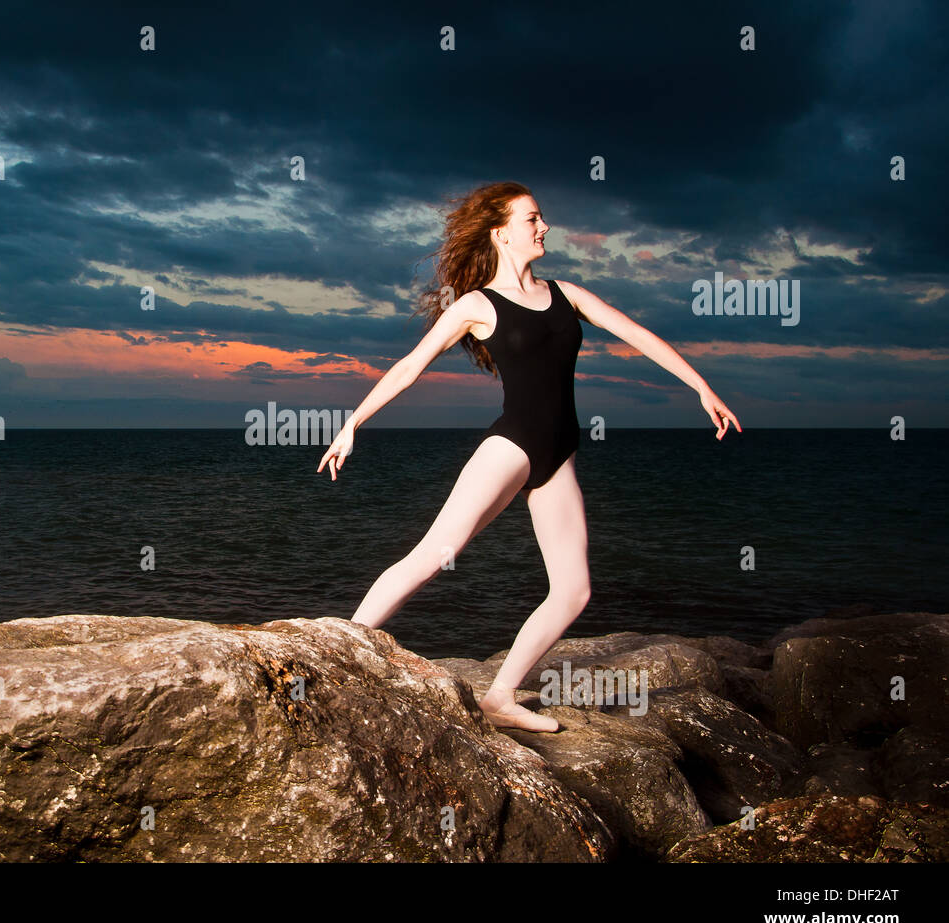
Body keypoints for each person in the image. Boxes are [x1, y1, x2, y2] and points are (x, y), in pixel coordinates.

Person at [317, 181, 741, 732]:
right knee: (433, 554)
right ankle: (335, 650)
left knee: (573, 590)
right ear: (501, 232)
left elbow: (639, 335)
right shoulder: (476, 305)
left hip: (558, 453)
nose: (544, 228)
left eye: (542, 218)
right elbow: (409, 366)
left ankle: (500, 696)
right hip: (511, 445)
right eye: (533, 219)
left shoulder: (567, 294)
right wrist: (353, 422)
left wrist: (700, 386)